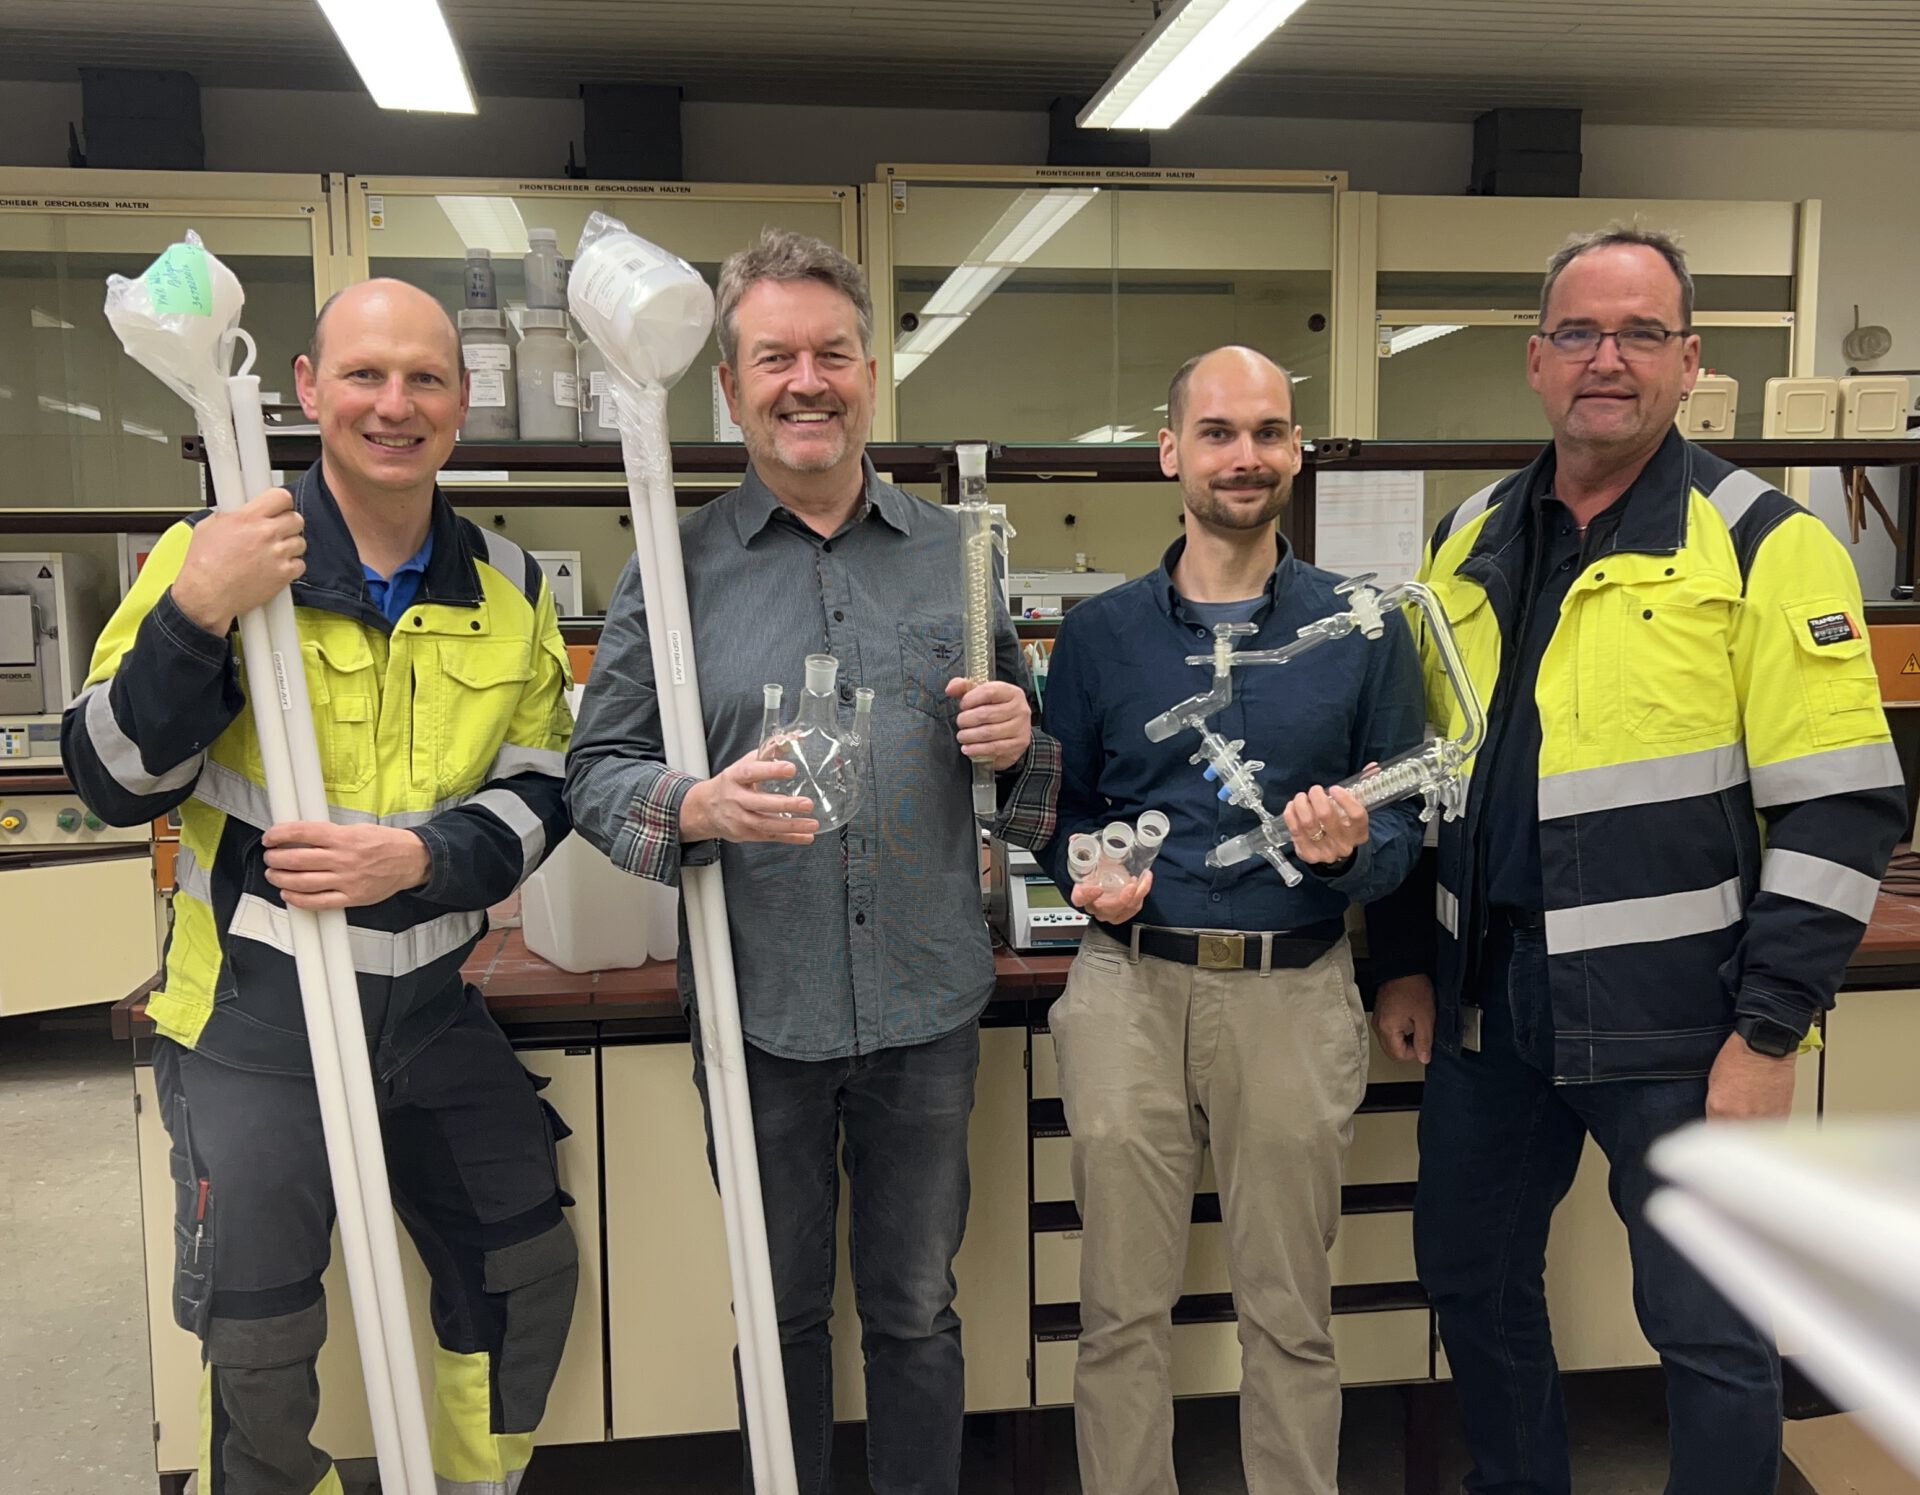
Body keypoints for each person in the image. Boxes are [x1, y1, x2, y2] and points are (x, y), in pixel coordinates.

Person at [1367, 226, 1906, 1494]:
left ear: (1688, 361)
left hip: (1684, 1017)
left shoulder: (1767, 544)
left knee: (1709, 1325)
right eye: (1580, 333)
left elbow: (1843, 811)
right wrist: (1402, 964)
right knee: (1473, 1281)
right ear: (1537, 359)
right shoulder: (1468, 536)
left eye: (1641, 334)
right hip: (1490, 1005)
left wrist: (1768, 1032)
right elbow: (1422, 769)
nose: (1607, 359)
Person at [565, 228, 1059, 1495]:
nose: (806, 381)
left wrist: (1021, 739)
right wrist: (695, 807)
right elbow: (594, 775)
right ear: (729, 387)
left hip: (925, 1005)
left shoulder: (962, 554)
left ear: (870, 371)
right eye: (773, 357)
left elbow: (1040, 799)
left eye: (831, 353)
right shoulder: (670, 569)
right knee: (778, 1311)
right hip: (756, 1010)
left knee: (913, 1309)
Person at [64, 279, 579, 1495]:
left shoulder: (509, 584)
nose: (394, 405)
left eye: (425, 379)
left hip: (431, 1012)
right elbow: (109, 780)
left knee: (525, 1270)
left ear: (461, 404)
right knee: (259, 1338)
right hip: (253, 1016)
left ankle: (472, 1483)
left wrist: (423, 860)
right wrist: (197, 615)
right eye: (365, 375)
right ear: (306, 388)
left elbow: (545, 786)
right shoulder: (217, 552)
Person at [1036, 345, 1426, 1495]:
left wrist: (1354, 848)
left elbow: (1405, 830)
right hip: (1128, 991)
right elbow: (1060, 812)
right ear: (1171, 453)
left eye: (1266, 432)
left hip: (1295, 989)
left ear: (1295, 453)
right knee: (1117, 1315)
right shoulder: (1101, 635)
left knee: (1292, 1315)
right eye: (1216, 432)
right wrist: (1081, 874)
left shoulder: (1364, 629)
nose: (1243, 456)